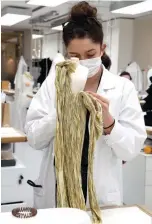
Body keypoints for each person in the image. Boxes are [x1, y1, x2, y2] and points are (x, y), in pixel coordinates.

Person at [25, 1, 146, 209]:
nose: (83, 61)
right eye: (74, 56)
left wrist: (109, 123)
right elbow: (34, 139)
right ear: (66, 54)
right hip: (57, 193)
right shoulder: (53, 85)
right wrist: (59, 113)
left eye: (90, 55)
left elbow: (131, 150)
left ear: (102, 49)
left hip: (99, 198)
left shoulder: (122, 88)